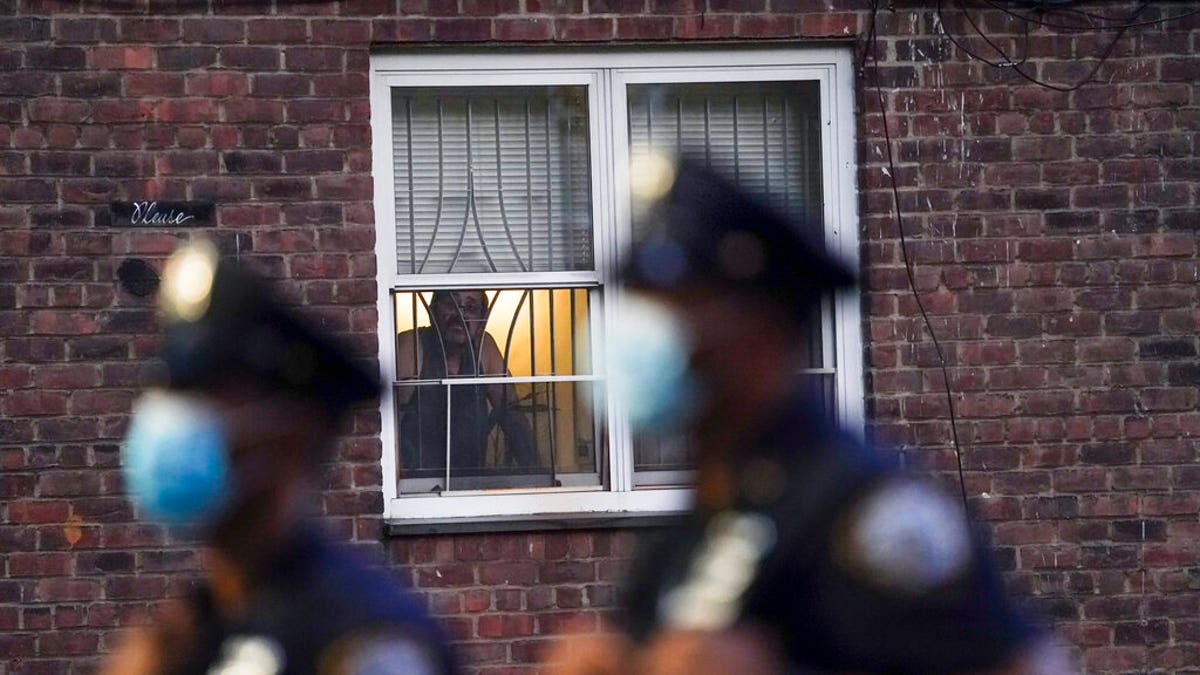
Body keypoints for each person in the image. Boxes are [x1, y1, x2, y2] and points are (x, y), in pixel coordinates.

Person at [546, 156, 1069, 675]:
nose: (639, 334)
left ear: (762, 330)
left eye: (673, 307)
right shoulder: (708, 511)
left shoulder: (866, 512)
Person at [103, 239, 458, 675]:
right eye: (178, 397)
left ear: (291, 434)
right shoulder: (187, 636)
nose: (176, 425)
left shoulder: (362, 642)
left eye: (212, 402)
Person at [395, 289, 537, 478]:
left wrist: (537, 476)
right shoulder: (412, 344)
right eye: (450, 305)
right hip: (416, 484)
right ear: (432, 312)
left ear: (482, 320)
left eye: (471, 308)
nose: (460, 315)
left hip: (471, 483)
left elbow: (513, 419)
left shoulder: (484, 348)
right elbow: (392, 422)